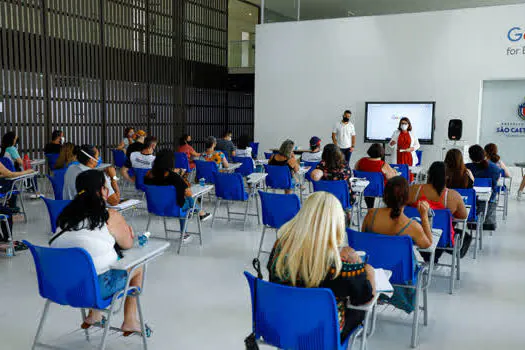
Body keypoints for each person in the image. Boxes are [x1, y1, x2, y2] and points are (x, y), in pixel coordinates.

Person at [267, 192, 376, 341]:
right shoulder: (340, 268)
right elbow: (364, 298)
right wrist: (363, 268)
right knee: (357, 310)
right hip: (323, 334)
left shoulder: (280, 247)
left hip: (283, 325)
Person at [51, 170, 143, 334]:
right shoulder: (109, 216)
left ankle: (94, 315)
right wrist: (128, 232)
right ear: (101, 191)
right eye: (105, 187)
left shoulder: (65, 217)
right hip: (92, 289)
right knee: (138, 268)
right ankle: (129, 320)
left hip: (59, 286)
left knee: (91, 263)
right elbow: (128, 244)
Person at [361, 176, 431, 313]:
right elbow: (427, 244)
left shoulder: (370, 215)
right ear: (406, 198)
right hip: (400, 279)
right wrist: (424, 216)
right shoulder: (412, 226)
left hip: (374, 273)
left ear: (385, 195)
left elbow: (365, 241)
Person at [144, 151, 210, 243]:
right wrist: (179, 175)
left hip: (155, 208)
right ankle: (187, 229)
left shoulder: (148, 175)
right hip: (174, 209)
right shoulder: (174, 177)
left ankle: (200, 212)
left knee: (181, 200)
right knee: (187, 200)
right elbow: (188, 192)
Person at [409, 162, 469, 260]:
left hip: (414, 233)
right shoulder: (453, 195)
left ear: (429, 174)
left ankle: (430, 257)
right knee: (462, 234)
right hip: (442, 238)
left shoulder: (413, 190)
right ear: (447, 177)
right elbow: (463, 216)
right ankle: (433, 257)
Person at [466, 145, 500, 230]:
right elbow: (495, 186)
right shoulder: (495, 168)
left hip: (469, 204)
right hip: (488, 203)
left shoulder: (466, 168)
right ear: (484, 154)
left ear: (470, 156)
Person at [355, 143, 398, 208]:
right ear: (382, 153)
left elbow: (356, 171)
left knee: (370, 185)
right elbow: (392, 178)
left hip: (363, 189)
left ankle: (370, 208)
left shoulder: (360, 161)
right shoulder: (383, 165)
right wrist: (394, 171)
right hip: (379, 190)